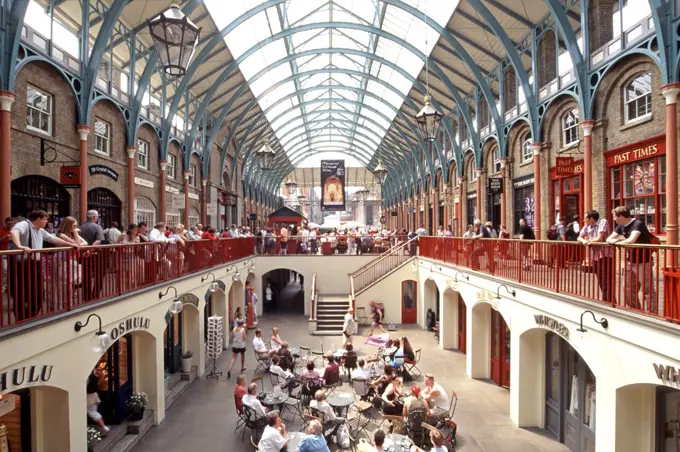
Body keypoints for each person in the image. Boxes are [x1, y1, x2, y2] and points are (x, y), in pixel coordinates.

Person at [9, 210, 79, 320]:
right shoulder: (24, 224)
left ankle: (32, 315)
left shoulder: (40, 230)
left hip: (35, 264)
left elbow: (53, 238)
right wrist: (19, 246)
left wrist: (70, 244)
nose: (46, 221)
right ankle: (21, 317)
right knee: (22, 291)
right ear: (38, 219)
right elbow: (14, 232)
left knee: (39, 291)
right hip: (21, 264)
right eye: (45, 219)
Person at [607, 206, 657, 312]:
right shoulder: (621, 226)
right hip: (630, 261)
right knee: (627, 289)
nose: (614, 219)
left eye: (614, 216)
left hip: (644, 261)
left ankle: (653, 312)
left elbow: (631, 240)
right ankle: (636, 311)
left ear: (620, 216)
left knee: (647, 289)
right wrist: (616, 241)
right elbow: (609, 238)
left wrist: (616, 242)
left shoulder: (638, 224)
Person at [578, 210, 615, 303]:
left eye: (585, 218)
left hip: (605, 255)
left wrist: (589, 242)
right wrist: (584, 241)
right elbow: (579, 237)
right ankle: (607, 299)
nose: (583, 220)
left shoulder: (602, 222)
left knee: (607, 278)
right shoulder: (587, 226)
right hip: (595, 256)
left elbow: (600, 238)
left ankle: (610, 301)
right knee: (600, 279)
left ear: (591, 218)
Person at [79, 210, 106, 302]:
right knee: (99, 275)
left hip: (82, 254)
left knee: (86, 276)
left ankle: (86, 297)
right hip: (95, 254)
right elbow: (98, 241)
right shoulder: (98, 227)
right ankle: (95, 295)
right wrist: (90, 250)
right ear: (94, 217)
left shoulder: (80, 227)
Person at [87, 368, 110, 434]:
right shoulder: (94, 377)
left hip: (89, 397)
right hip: (94, 396)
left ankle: (103, 426)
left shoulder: (89, 378)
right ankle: (103, 426)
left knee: (92, 412)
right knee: (93, 411)